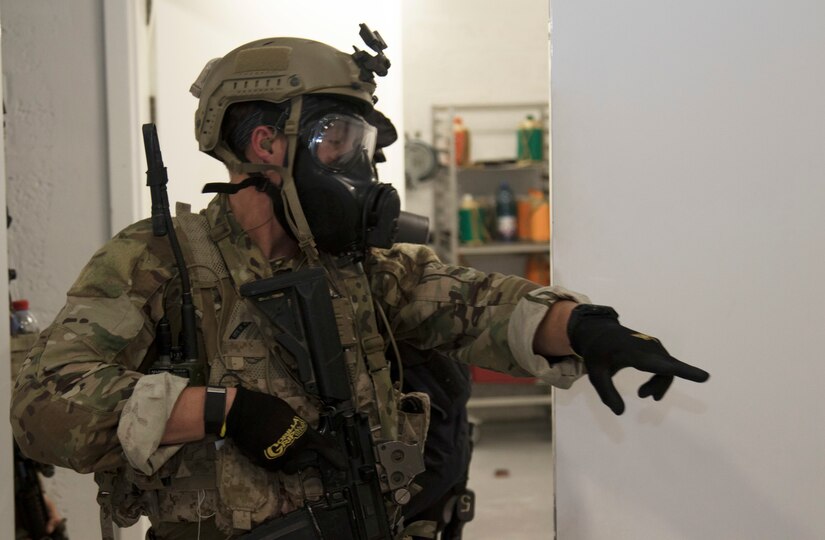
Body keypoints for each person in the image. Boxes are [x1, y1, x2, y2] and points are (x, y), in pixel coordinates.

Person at [10, 27, 709, 540]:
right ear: (266, 145)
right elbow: (44, 407)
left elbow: (474, 306)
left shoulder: (352, 265)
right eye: (336, 139)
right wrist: (223, 411)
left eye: (362, 146)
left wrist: (586, 329)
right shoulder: (157, 258)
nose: (360, 168)